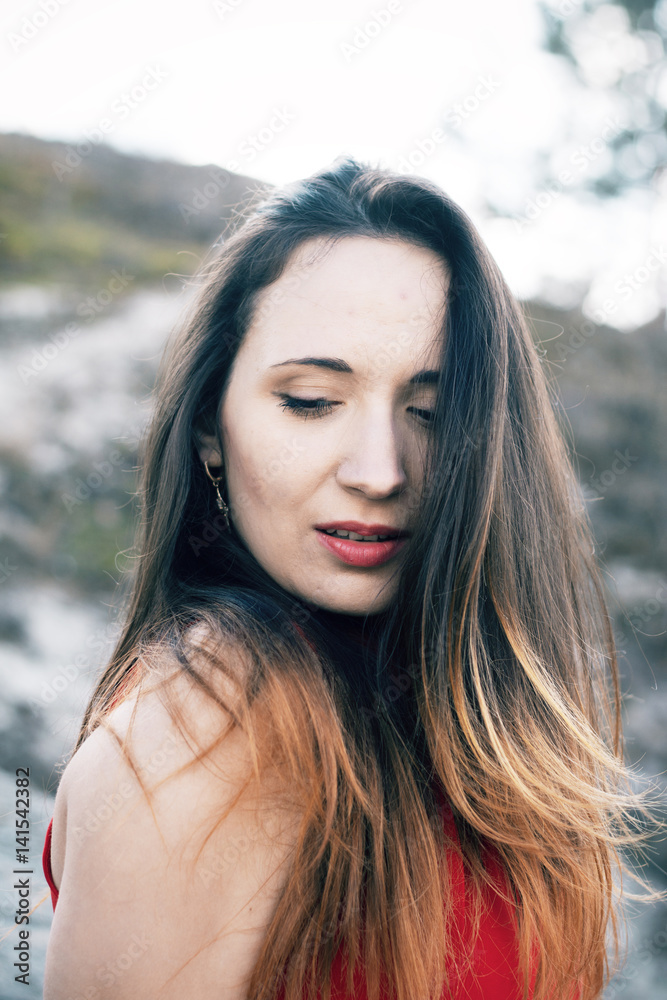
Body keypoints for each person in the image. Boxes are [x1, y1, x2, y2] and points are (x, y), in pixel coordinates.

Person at [41, 157, 661, 1000]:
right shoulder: (200, 732)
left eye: (431, 414)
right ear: (208, 429)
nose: (379, 470)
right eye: (309, 400)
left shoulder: (485, 732)